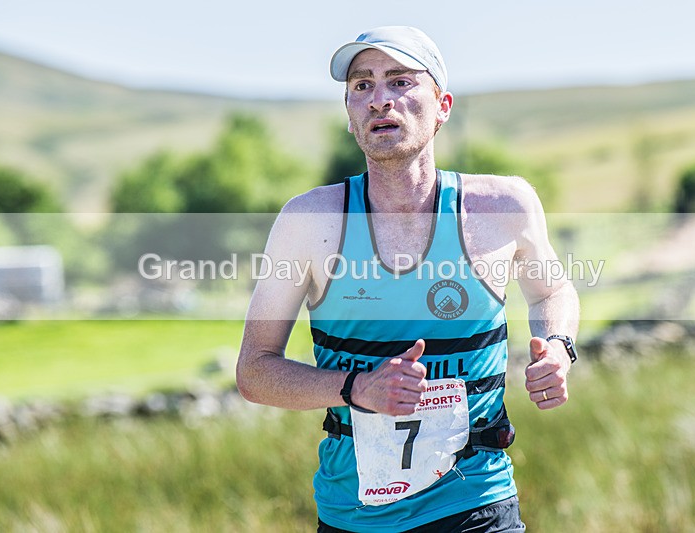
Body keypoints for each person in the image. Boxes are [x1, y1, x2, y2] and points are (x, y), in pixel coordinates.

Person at [236, 26, 580, 532]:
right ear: (350, 115)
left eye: (400, 82)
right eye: (362, 85)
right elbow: (255, 372)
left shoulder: (502, 207)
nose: (379, 100)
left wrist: (556, 346)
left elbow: (553, 290)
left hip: (476, 505)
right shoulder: (309, 221)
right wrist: (357, 388)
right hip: (353, 514)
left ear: (442, 105)